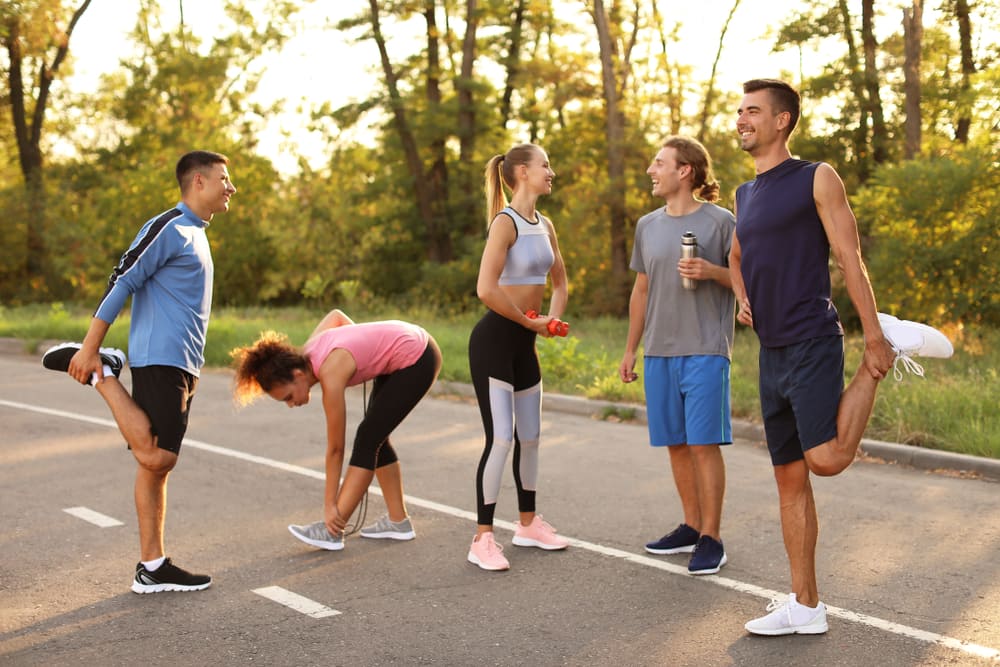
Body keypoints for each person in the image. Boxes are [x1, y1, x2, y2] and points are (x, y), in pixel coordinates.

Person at [729, 79, 954, 635]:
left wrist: (873, 333)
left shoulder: (816, 177)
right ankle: (805, 606)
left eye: (753, 111)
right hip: (771, 351)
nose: (742, 119)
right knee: (788, 481)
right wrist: (741, 293)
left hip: (812, 337)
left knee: (826, 459)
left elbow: (850, 258)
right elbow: (736, 252)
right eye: (739, 111)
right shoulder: (743, 193)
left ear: (782, 121)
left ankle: (892, 347)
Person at [41, 150, 236, 593]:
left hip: (184, 363)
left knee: (156, 468)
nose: (231, 188)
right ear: (199, 182)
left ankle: (152, 565)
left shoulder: (197, 233)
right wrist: (89, 350)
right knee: (157, 455)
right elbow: (122, 279)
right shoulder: (168, 226)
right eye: (224, 179)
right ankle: (102, 373)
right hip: (159, 357)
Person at [619, 136, 735, 576]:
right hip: (659, 351)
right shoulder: (647, 225)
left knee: (704, 445)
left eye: (659, 162)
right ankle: (690, 524)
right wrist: (631, 348)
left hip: (706, 349)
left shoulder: (721, 222)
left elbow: (745, 280)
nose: (651, 170)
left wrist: (711, 271)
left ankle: (713, 537)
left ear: (684, 170)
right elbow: (641, 290)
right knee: (677, 444)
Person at [230, 309, 441, 551]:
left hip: (418, 356)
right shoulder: (307, 353)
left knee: (367, 439)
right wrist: (364, 346)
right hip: (408, 344)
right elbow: (336, 316)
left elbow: (336, 450)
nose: (291, 404)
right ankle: (398, 522)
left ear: (298, 375)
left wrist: (330, 505)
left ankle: (332, 530)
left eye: (288, 396)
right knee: (375, 435)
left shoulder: (330, 373)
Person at [467, 143, 570, 571]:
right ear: (523, 172)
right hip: (494, 342)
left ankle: (527, 524)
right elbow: (486, 290)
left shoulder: (544, 224)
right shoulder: (504, 223)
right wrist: (529, 322)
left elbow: (560, 282)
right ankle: (482, 539)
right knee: (502, 439)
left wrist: (551, 321)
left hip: (526, 342)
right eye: (545, 164)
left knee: (530, 437)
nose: (551, 171)